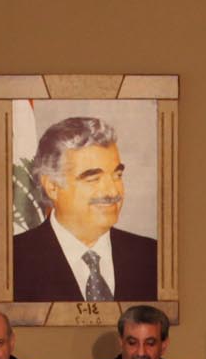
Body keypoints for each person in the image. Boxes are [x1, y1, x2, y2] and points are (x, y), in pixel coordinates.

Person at [10, 116, 158, 302]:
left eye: (117, 175)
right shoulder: (13, 260)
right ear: (52, 187)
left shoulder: (151, 256)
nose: (113, 191)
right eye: (93, 179)